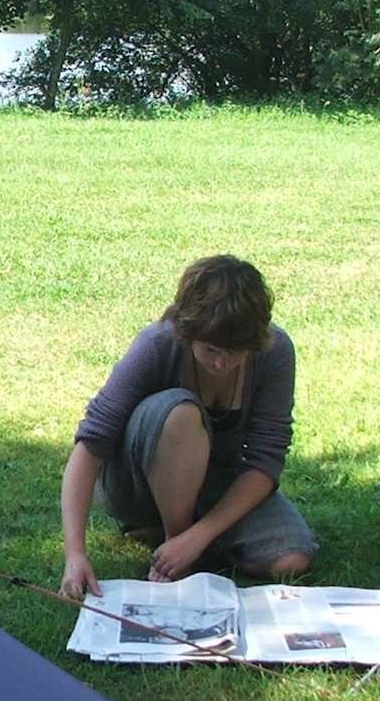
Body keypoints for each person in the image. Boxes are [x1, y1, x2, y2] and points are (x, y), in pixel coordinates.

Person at [59, 255, 316, 601]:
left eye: (236, 352)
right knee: (180, 413)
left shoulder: (276, 352)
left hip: (217, 481)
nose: (222, 363)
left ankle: (189, 544)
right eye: (210, 350)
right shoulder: (157, 346)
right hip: (137, 481)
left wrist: (199, 537)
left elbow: (265, 461)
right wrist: (75, 555)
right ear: (187, 331)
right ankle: (172, 541)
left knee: (291, 559)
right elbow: (90, 446)